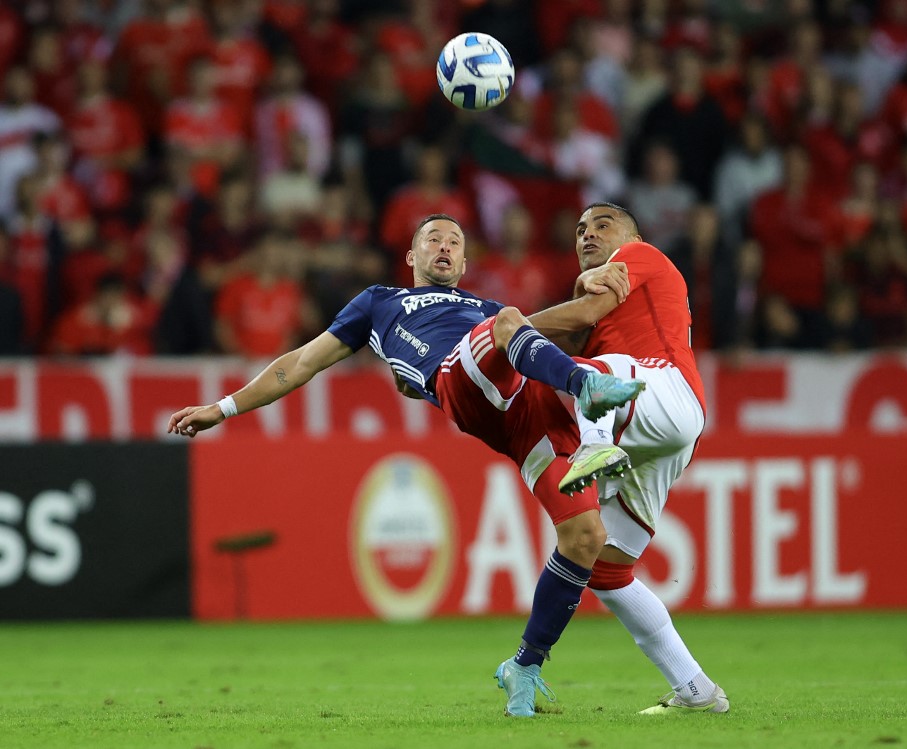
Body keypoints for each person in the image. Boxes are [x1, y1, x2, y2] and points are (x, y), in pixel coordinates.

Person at [167, 213, 645, 717]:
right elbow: (302, 362)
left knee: (585, 537)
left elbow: (570, 334)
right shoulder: (380, 303)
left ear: (464, 261)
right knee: (509, 321)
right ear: (411, 257)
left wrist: (584, 285)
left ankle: (524, 666)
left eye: (455, 241)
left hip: (529, 415)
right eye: (433, 239)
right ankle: (589, 390)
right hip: (461, 378)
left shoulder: (482, 306)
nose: (445, 246)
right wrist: (222, 408)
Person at [525, 202, 730, 715]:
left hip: (665, 394)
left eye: (601, 224)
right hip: (661, 431)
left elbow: (577, 319)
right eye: (579, 229)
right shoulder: (604, 296)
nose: (587, 234)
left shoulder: (640, 256)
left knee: (593, 373)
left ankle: (595, 446)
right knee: (609, 570)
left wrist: (506, 330)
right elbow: (568, 329)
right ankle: (697, 691)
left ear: (630, 235)